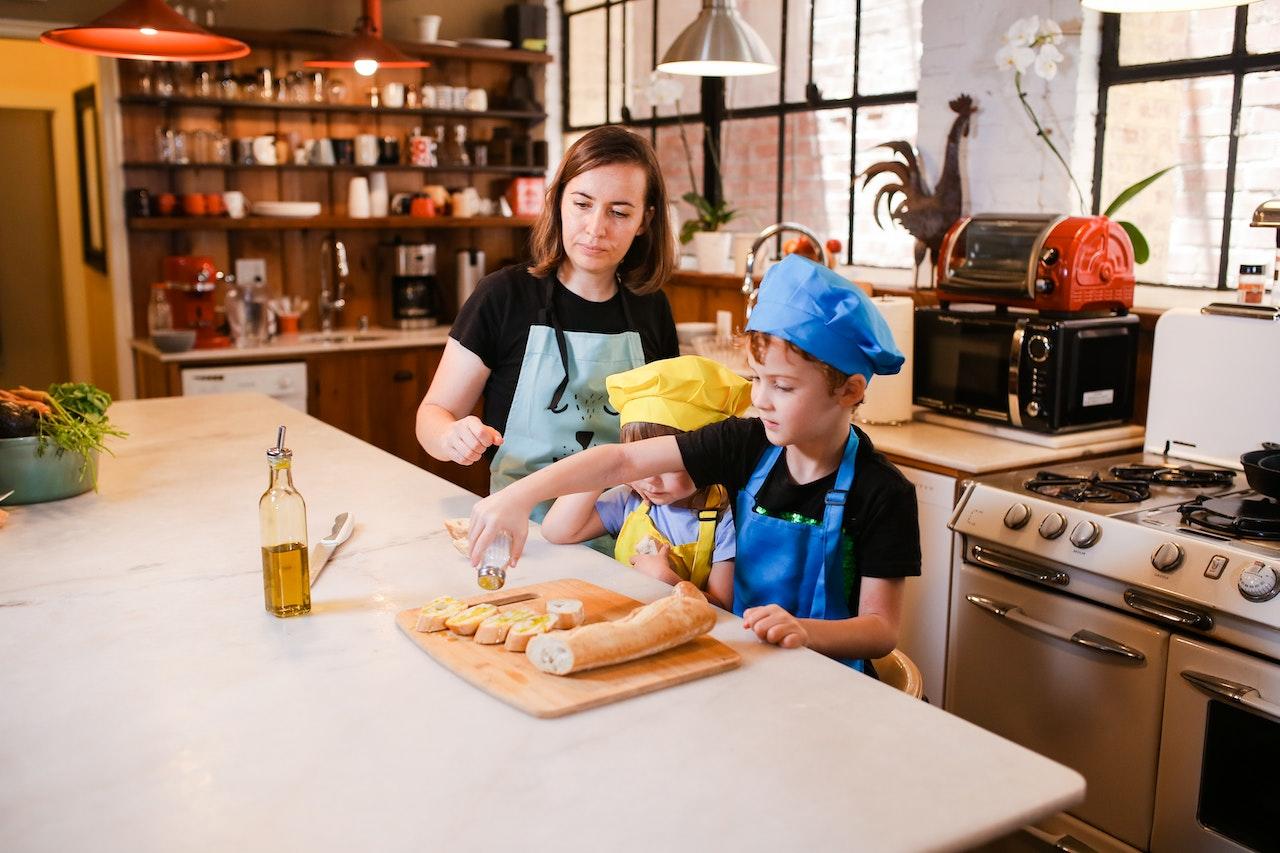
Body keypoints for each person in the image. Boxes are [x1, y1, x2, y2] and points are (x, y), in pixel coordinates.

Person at [467, 254, 921, 672]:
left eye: (782, 386)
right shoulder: (747, 444)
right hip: (739, 660)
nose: (761, 400)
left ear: (849, 391)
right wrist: (517, 497)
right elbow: (622, 460)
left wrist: (804, 632)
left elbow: (881, 630)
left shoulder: (883, 493)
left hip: (830, 680)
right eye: (757, 379)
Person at [415, 126, 679, 516]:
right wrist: (450, 435)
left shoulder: (651, 308)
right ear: (557, 202)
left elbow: (666, 434)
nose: (596, 228)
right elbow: (434, 413)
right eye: (582, 204)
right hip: (520, 525)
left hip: (625, 530)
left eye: (619, 212)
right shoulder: (503, 296)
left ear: (644, 220)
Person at [541, 356, 751, 610]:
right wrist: (607, 470)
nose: (650, 479)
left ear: (705, 458)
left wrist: (666, 579)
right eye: (639, 464)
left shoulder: (726, 518)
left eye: (664, 465)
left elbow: (722, 608)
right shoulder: (630, 500)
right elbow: (557, 531)